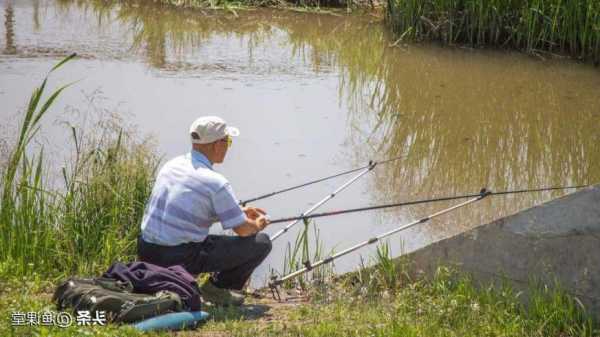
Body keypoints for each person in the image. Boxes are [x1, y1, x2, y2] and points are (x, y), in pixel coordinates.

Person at [137, 116, 271, 306]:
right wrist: (258, 224)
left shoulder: (171, 166)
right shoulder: (215, 182)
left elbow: (190, 208)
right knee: (261, 243)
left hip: (147, 251)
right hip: (178, 256)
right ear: (217, 144)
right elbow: (243, 230)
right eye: (228, 141)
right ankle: (217, 289)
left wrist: (238, 210)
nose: (229, 147)